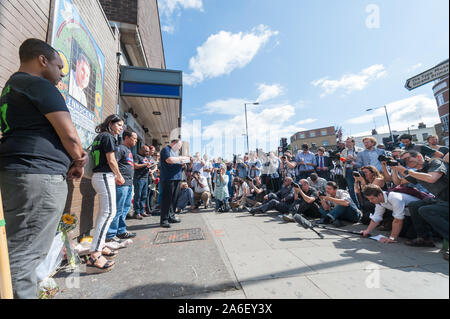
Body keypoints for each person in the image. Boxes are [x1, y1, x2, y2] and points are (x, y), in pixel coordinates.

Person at [0, 38, 87, 298]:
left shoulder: (12, 88)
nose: (61, 73)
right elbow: (69, 134)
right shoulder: (39, 85)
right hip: (39, 175)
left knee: (19, 247)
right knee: (26, 254)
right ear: (42, 60)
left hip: (20, 172)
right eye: (59, 66)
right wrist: (78, 159)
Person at [393, 151, 448, 257]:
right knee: (414, 205)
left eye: (407, 159)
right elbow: (398, 182)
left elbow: (432, 178)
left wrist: (406, 170)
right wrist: (394, 169)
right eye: (404, 160)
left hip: (446, 200)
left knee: (426, 210)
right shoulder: (417, 172)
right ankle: (424, 238)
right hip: (441, 200)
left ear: (418, 156)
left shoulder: (435, 162)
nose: (406, 162)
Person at [88, 114, 125, 273]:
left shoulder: (100, 136)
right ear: (111, 123)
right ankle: (94, 254)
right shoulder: (108, 137)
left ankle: (100, 245)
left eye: (122, 126)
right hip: (104, 176)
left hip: (100, 176)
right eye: (119, 125)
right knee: (110, 212)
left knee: (105, 212)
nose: (121, 128)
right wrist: (119, 175)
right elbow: (111, 161)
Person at [106, 130, 138, 242]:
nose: (136, 141)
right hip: (121, 184)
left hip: (129, 184)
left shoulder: (129, 151)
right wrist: (118, 177)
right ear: (126, 137)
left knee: (125, 209)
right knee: (118, 209)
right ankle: (111, 235)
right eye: (134, 138)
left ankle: (121, 231)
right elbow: (113, 162)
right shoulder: (120, 148)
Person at [159, 139, 190, 228]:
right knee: (167, 200)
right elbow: (169, 160)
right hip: (168, 178)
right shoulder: (166, 150)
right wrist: (181, 159)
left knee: (174, 199)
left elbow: (176, 162)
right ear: (174, 143)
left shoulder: (175, 153)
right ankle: (164, 220)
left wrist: (182, 164)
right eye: (179, 146)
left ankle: (171, 216)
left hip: (177, 178)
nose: (179, 148)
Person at [340, 137, 363, 204]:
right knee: (351, 189)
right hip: (348, 171)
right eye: (346, 142)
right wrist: (345, 160)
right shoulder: (344, 151)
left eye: (349, 142)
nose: (347, 144)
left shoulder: (360, 150)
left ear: (353, 142)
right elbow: (341, 160)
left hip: (358, 170)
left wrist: (353, 158)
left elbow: (362, 161)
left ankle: (363, 204)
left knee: (361, 187)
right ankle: (356, 205)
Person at [133, 145, 152, 219]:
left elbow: (147, 165)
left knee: (144, 196)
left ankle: (142, 211)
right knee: (138, 196)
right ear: (141, 150)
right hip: (139, 178)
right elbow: (135, 166)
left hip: (146, 178)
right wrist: (145, 164)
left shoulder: (146, 157)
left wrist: (150, 166)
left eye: (148, 151)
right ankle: (137, 213)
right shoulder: (136, 156)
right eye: (146, 151)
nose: (147, 153)